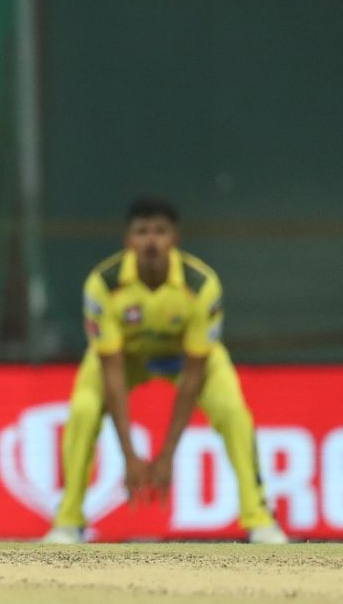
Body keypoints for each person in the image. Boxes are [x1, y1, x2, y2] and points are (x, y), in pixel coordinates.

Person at [41, 197, 288, 545]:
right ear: (128, 241)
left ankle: (260, 519)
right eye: (142, 232)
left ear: (175, 238)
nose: (151, 241)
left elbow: (194, 374)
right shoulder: (104, 285)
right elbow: (112, 372)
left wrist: (167, 455)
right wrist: (128, 455)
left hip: (185, 360)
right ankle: (67, 522)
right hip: (126, 360)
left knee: (233, 412)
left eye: (160, 231)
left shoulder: (201, 286)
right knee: (82, 411)